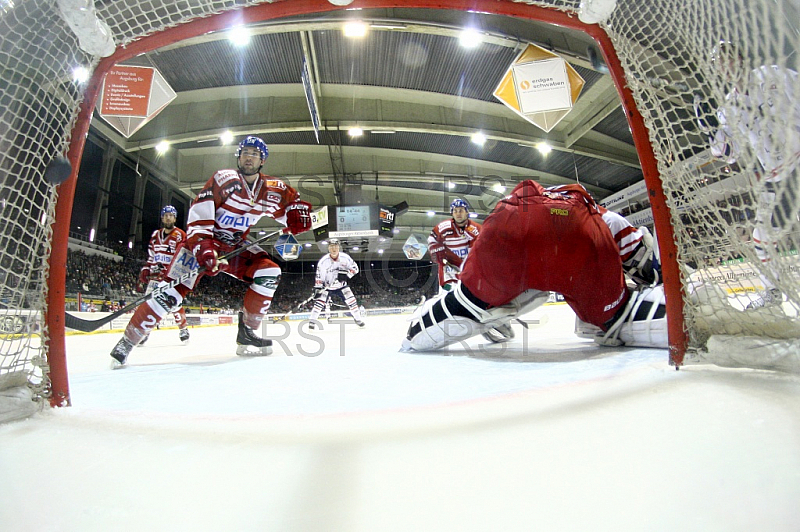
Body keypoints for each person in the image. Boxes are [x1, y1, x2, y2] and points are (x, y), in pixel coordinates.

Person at [109, 135, 313, 366]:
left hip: (234, 247)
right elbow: (198, 220)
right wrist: (205, 250)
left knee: (269, 272)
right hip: (201, 244)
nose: (249, 157)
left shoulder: (272, 188)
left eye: (255, 154)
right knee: (170, 294)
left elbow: (291, 204)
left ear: (262, 160)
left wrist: (296, 217)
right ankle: (127, 342)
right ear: (239, 156)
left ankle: (247, 332)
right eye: (245, 152)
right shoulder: (223, 179)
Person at [402, 180, 665, 351]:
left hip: (512, 226)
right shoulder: (600, 212)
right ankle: (605, 319)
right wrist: (655, 276)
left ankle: (474, 307)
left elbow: (482, 245)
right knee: (616, 315)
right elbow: (639, 251)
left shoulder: (481, 224)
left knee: (465, 302)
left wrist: (471, 280)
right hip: (577, 234)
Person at [694, 41, 800, 308]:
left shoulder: (773, 74)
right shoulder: (727, 109)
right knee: (761, 238)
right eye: (718, 62)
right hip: (776, 177)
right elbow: (729, 154)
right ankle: (774, 292)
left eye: (727, 57)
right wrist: (710, 131)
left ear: (740, 58)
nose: (724, 65)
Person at [137, 205, 190, 346]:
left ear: (175, 218)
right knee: (147, 303)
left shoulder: (180, 235)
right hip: (155, 276)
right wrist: (146, 268)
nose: (168, 217)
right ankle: (145, 332)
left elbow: (182, 255)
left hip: (170, 277)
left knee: (174, 305)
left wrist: (172, 271)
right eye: (165, 215)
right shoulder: (155, 235)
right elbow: (152, 255)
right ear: (162, 217)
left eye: (171, 215)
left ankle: (183, 329)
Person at [307, 238, 365, 328]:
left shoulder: (345, 258)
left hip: (341, 286)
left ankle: (358, 319)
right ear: (328, 248)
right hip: (327, 286)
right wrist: (318, 288)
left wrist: (347, 275)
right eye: (331, 246)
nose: (334, 249)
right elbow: (319, 276)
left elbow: (355, 268)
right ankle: (312, 322)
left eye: (336, 246)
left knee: (352, 301)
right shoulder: (323, 262)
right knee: (319, 303)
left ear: (339, 247)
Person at [427, 198, 481, 292]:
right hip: (448, 275)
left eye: (461, 210)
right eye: (455, 211)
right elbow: (431, 239)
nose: (458, 213)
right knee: (449, 300)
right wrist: (434, 248)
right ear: (452, 213)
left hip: (469, 275)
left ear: (467, 212)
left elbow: (481, 251)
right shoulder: (443, 227)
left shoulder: (476, 229)